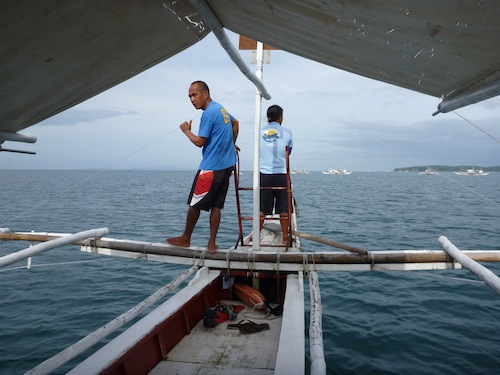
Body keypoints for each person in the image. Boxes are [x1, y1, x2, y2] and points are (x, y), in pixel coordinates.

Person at [167, 81, 239, 253]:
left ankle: (185, 238)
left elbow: (200, 142)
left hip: (211, 167)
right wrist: (231, 144)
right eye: (190, 96)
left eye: (195, 95)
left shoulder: (208, 113)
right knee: (216, 206)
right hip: (227, 166)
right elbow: (235, 123)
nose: (192, 99)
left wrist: (186, 130)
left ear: (205, 93)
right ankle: (212, 244)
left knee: (195, 204)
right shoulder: (221, 108)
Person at [259, 105, 293, 244]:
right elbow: (288, 152)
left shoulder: (258, 131)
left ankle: (256, 236)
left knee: (261, 208)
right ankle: (285, 238)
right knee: (284, 208)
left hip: (264, 174)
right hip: (281, 174)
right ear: (280, 117)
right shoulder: (287, 132)